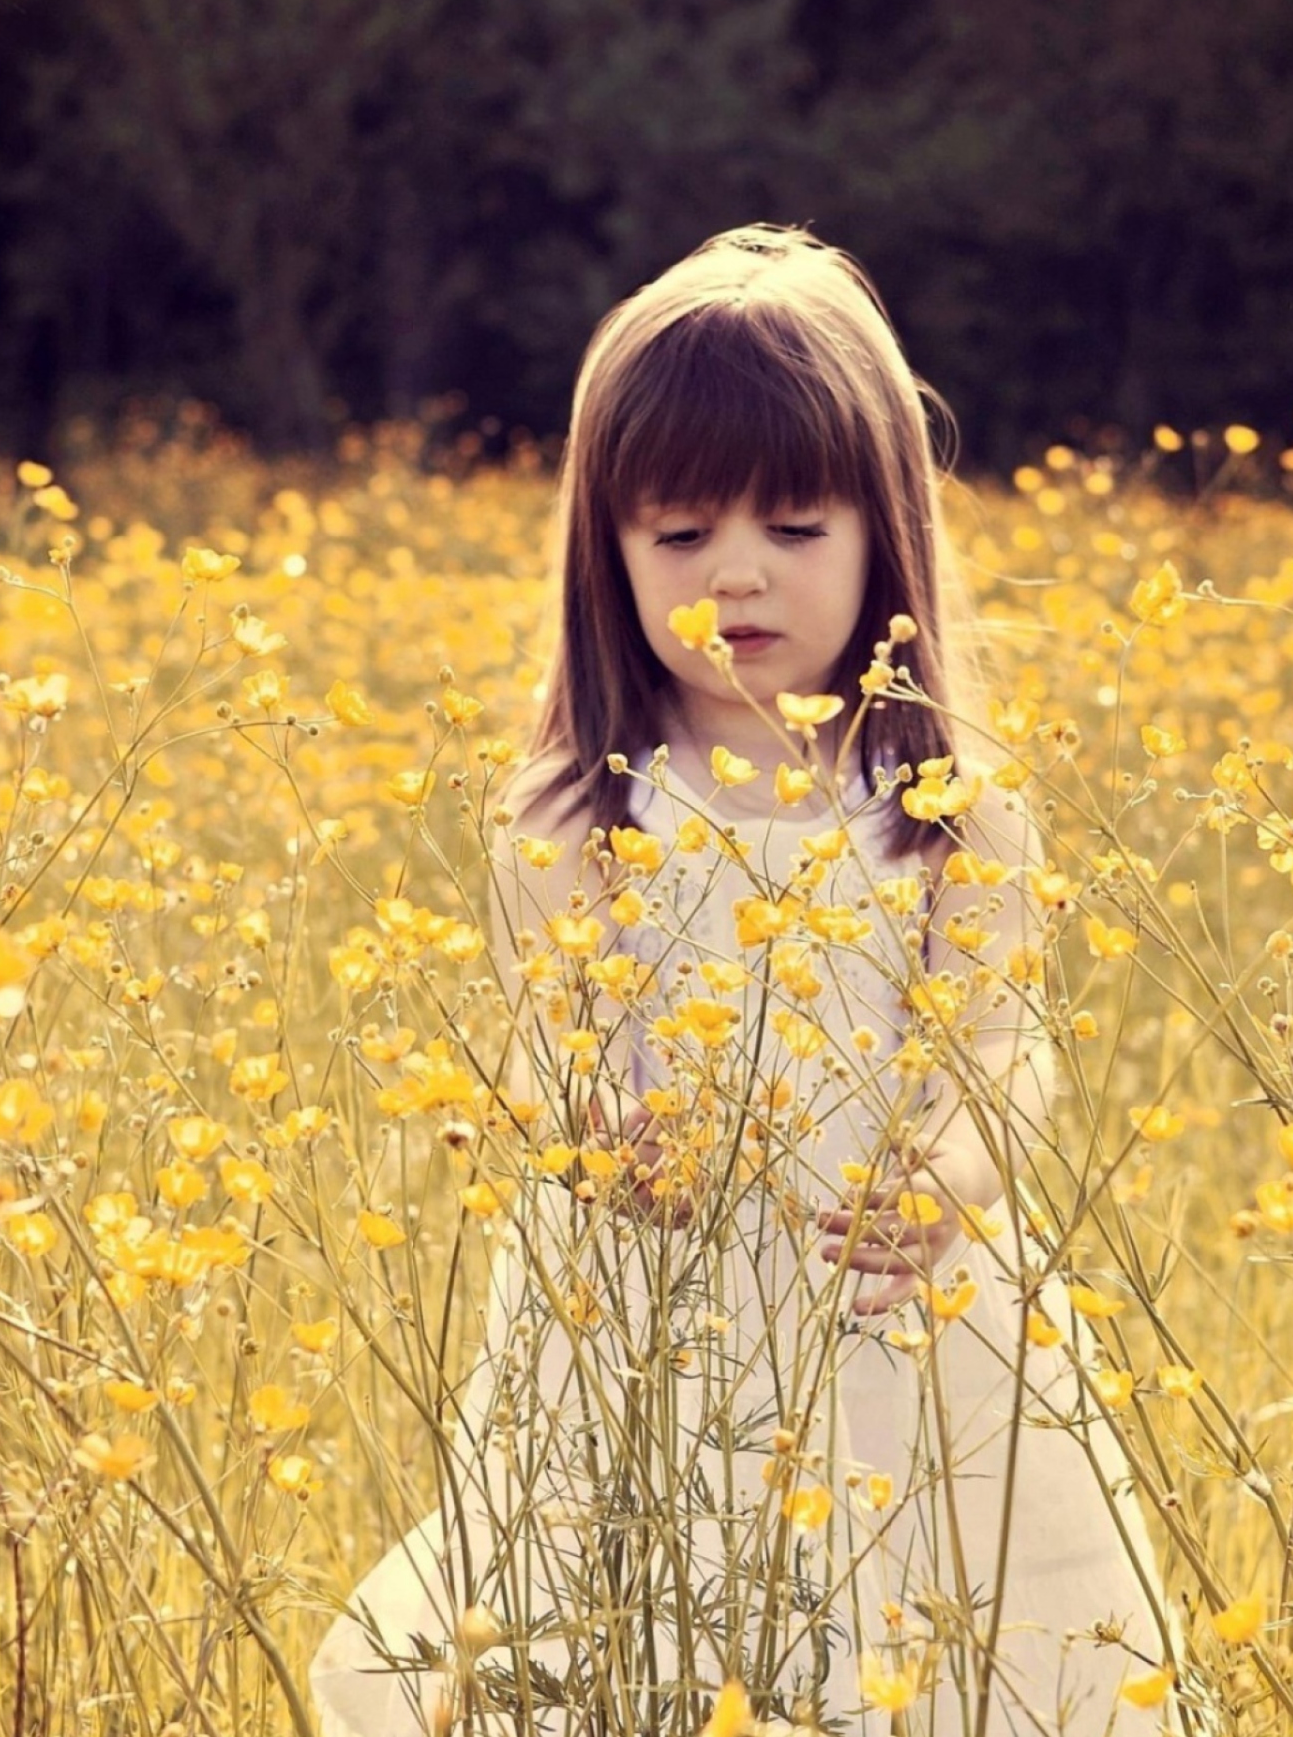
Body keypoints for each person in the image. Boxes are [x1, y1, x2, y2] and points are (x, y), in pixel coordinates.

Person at [308, 226, 1192, 1737]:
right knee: (632, 1649)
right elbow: (551, 1049)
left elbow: (1011, 1046)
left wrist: (947, 1181)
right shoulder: (581, 809)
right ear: (609, 553)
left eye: (795, 527)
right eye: (679, 536)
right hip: (649, 1320)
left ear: (883, 538)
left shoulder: (952, 800)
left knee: (962, 1658)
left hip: (907, 1309)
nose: (737, 573)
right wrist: (599, 1132)